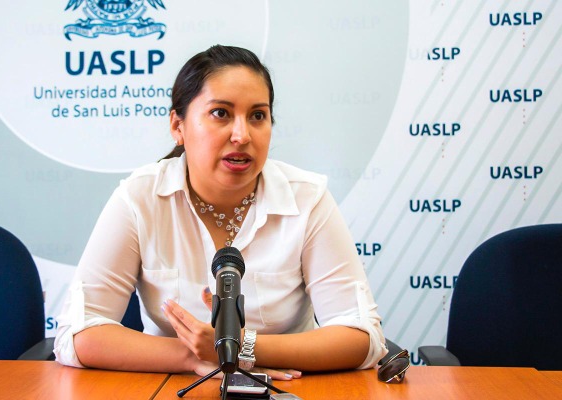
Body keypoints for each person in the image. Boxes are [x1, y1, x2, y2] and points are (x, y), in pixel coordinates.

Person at [54, 44, 387, 380]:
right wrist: (192, 356)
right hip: (173, 387)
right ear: (178, 126)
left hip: (289, 390)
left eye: (257, 116)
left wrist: (242, 348)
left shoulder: (307, 199)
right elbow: (78, 333)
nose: (242, 135)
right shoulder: (140, 198)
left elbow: (362, 336)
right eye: (221, 113)